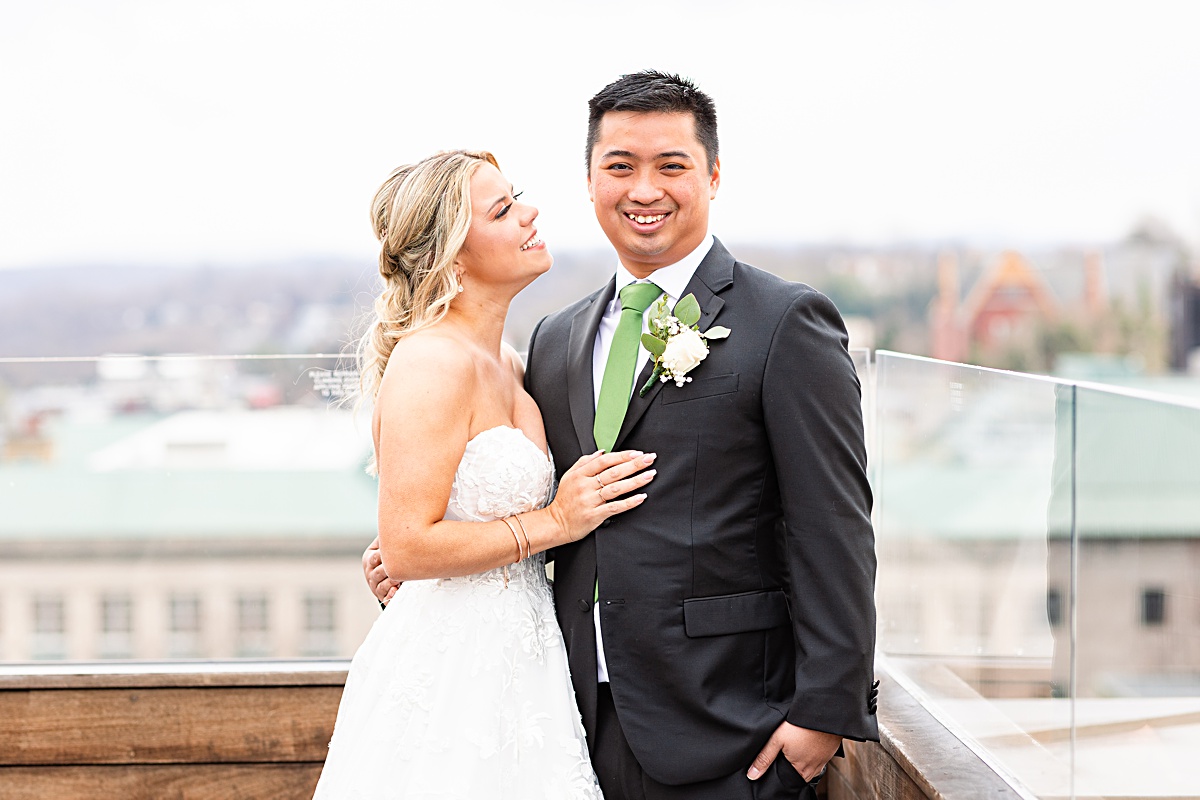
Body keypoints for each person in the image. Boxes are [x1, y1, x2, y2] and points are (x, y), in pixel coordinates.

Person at [367, 71, 879, 800]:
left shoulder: (785, 323)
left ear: (713, 175)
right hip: (564, 714)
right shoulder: (554, 340)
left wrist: (825, 711)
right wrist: (414, 550)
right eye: (620, 167)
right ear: (590, 181)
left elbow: (834, 525)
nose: (645, 190)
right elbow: (495, 494)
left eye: (671, 166)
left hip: (730, 723)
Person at [316, 149, 656, 799]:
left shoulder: (509, 361)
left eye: (517, 197)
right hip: (452, 679)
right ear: (452, 255)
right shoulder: (431, 364)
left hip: (527, 664)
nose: (530, 213)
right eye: (502, 210)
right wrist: (555, 520)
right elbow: (408, 546)